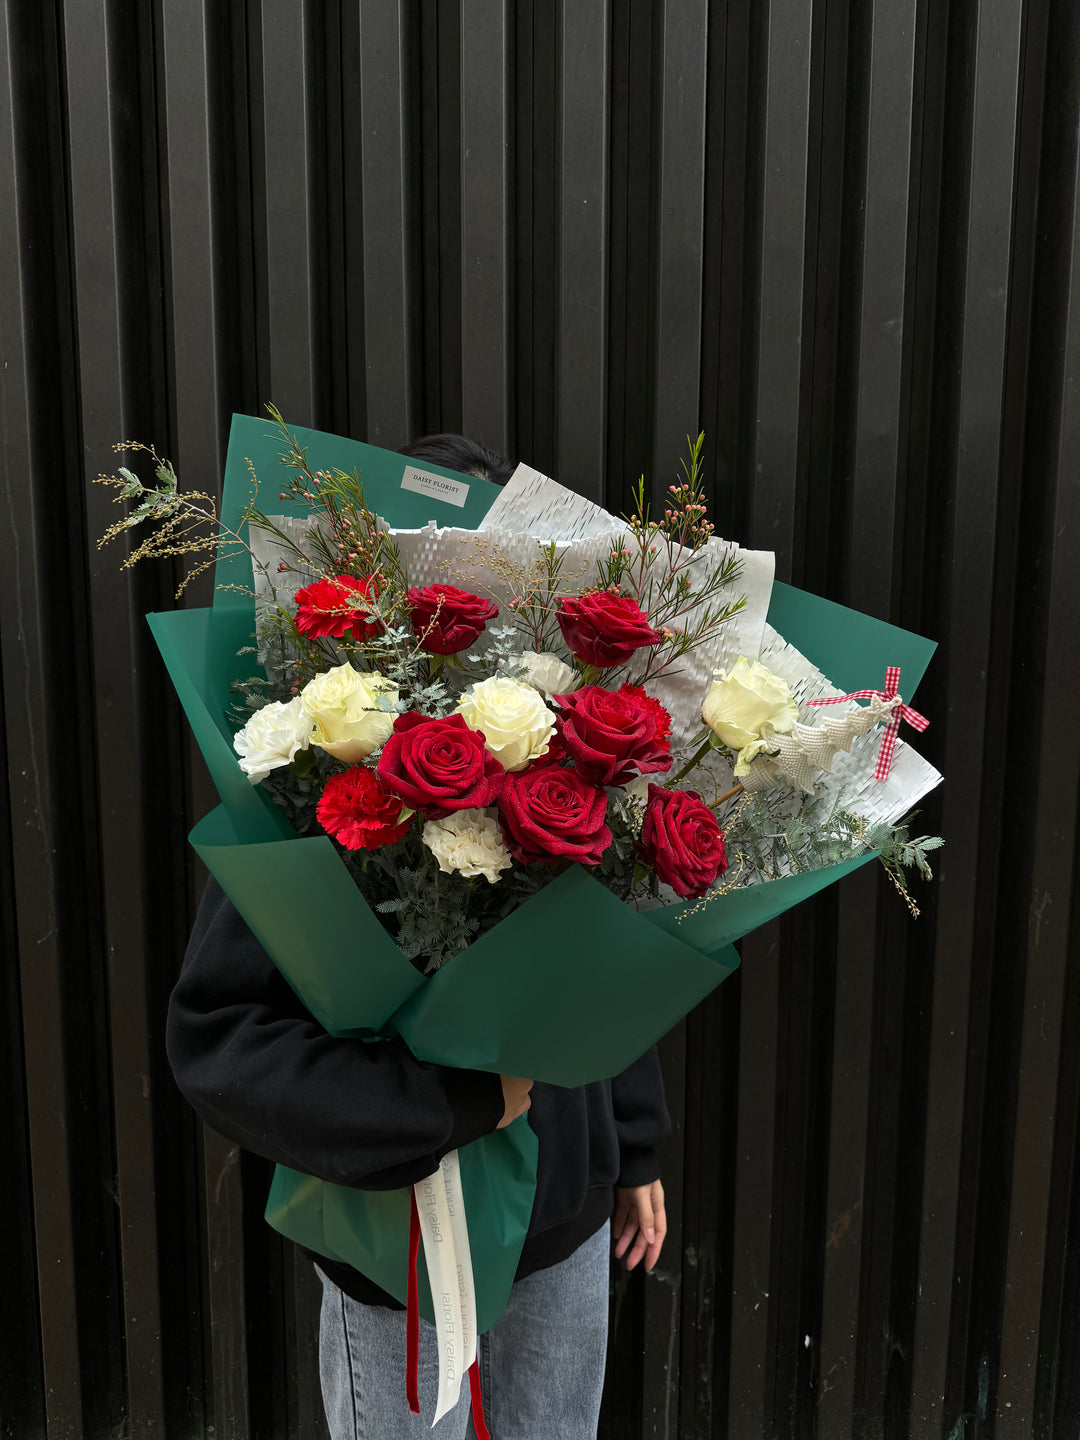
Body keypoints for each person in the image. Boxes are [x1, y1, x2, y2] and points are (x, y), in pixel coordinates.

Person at [165, 434, 671, 1440]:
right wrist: (450, 1105)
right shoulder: (310, 801)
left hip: (564, 1232)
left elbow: (607, 965)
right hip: (398, 1250)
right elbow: (222, 1043)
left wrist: (633, 1145)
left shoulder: (563, 762)